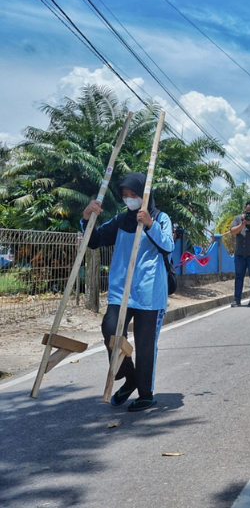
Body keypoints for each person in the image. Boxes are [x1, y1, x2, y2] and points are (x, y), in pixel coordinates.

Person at [82, 172, 174, 412]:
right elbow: (95, 240)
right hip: (120, 292)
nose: (129, 199)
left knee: (145, 345)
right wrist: (86, 219)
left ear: (144, 195)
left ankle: (145, 393)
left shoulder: (161, 218)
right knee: (110, 331)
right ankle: (129, 376)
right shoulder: (120, 220)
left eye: (134, 195)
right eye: (125, 195)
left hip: (149, 293)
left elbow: (168, 246)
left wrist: (150, 225)